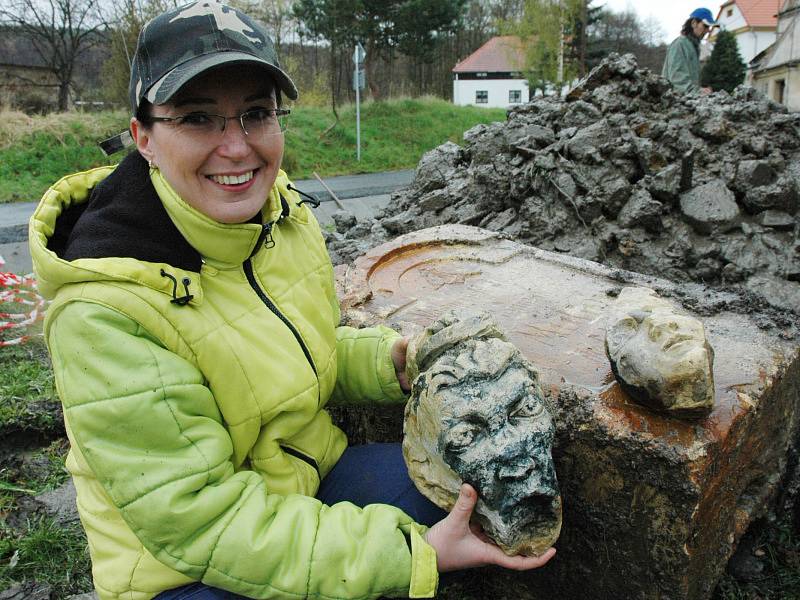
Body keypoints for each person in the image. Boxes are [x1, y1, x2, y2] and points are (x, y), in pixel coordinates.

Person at [28, 2, 555, 599]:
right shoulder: (105, 311)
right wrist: (411, 555)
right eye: (199, 118)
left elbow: (299, 353)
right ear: (143, 137)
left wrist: (396, 361)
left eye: (255, 114)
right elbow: (203, 522)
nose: (237, 148)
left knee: (476, 498)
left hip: (306, 481)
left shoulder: (280, 216)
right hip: (187, 568)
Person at [661, 7, 717, 94]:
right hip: (673, 102)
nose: (708, 30)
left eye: (709, 27)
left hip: (685, 101)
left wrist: (700, 90)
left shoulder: (693, 47)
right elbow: (677, 79)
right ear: (694, 23)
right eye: (705, 26)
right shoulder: (680, 44)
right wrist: (698, 92)